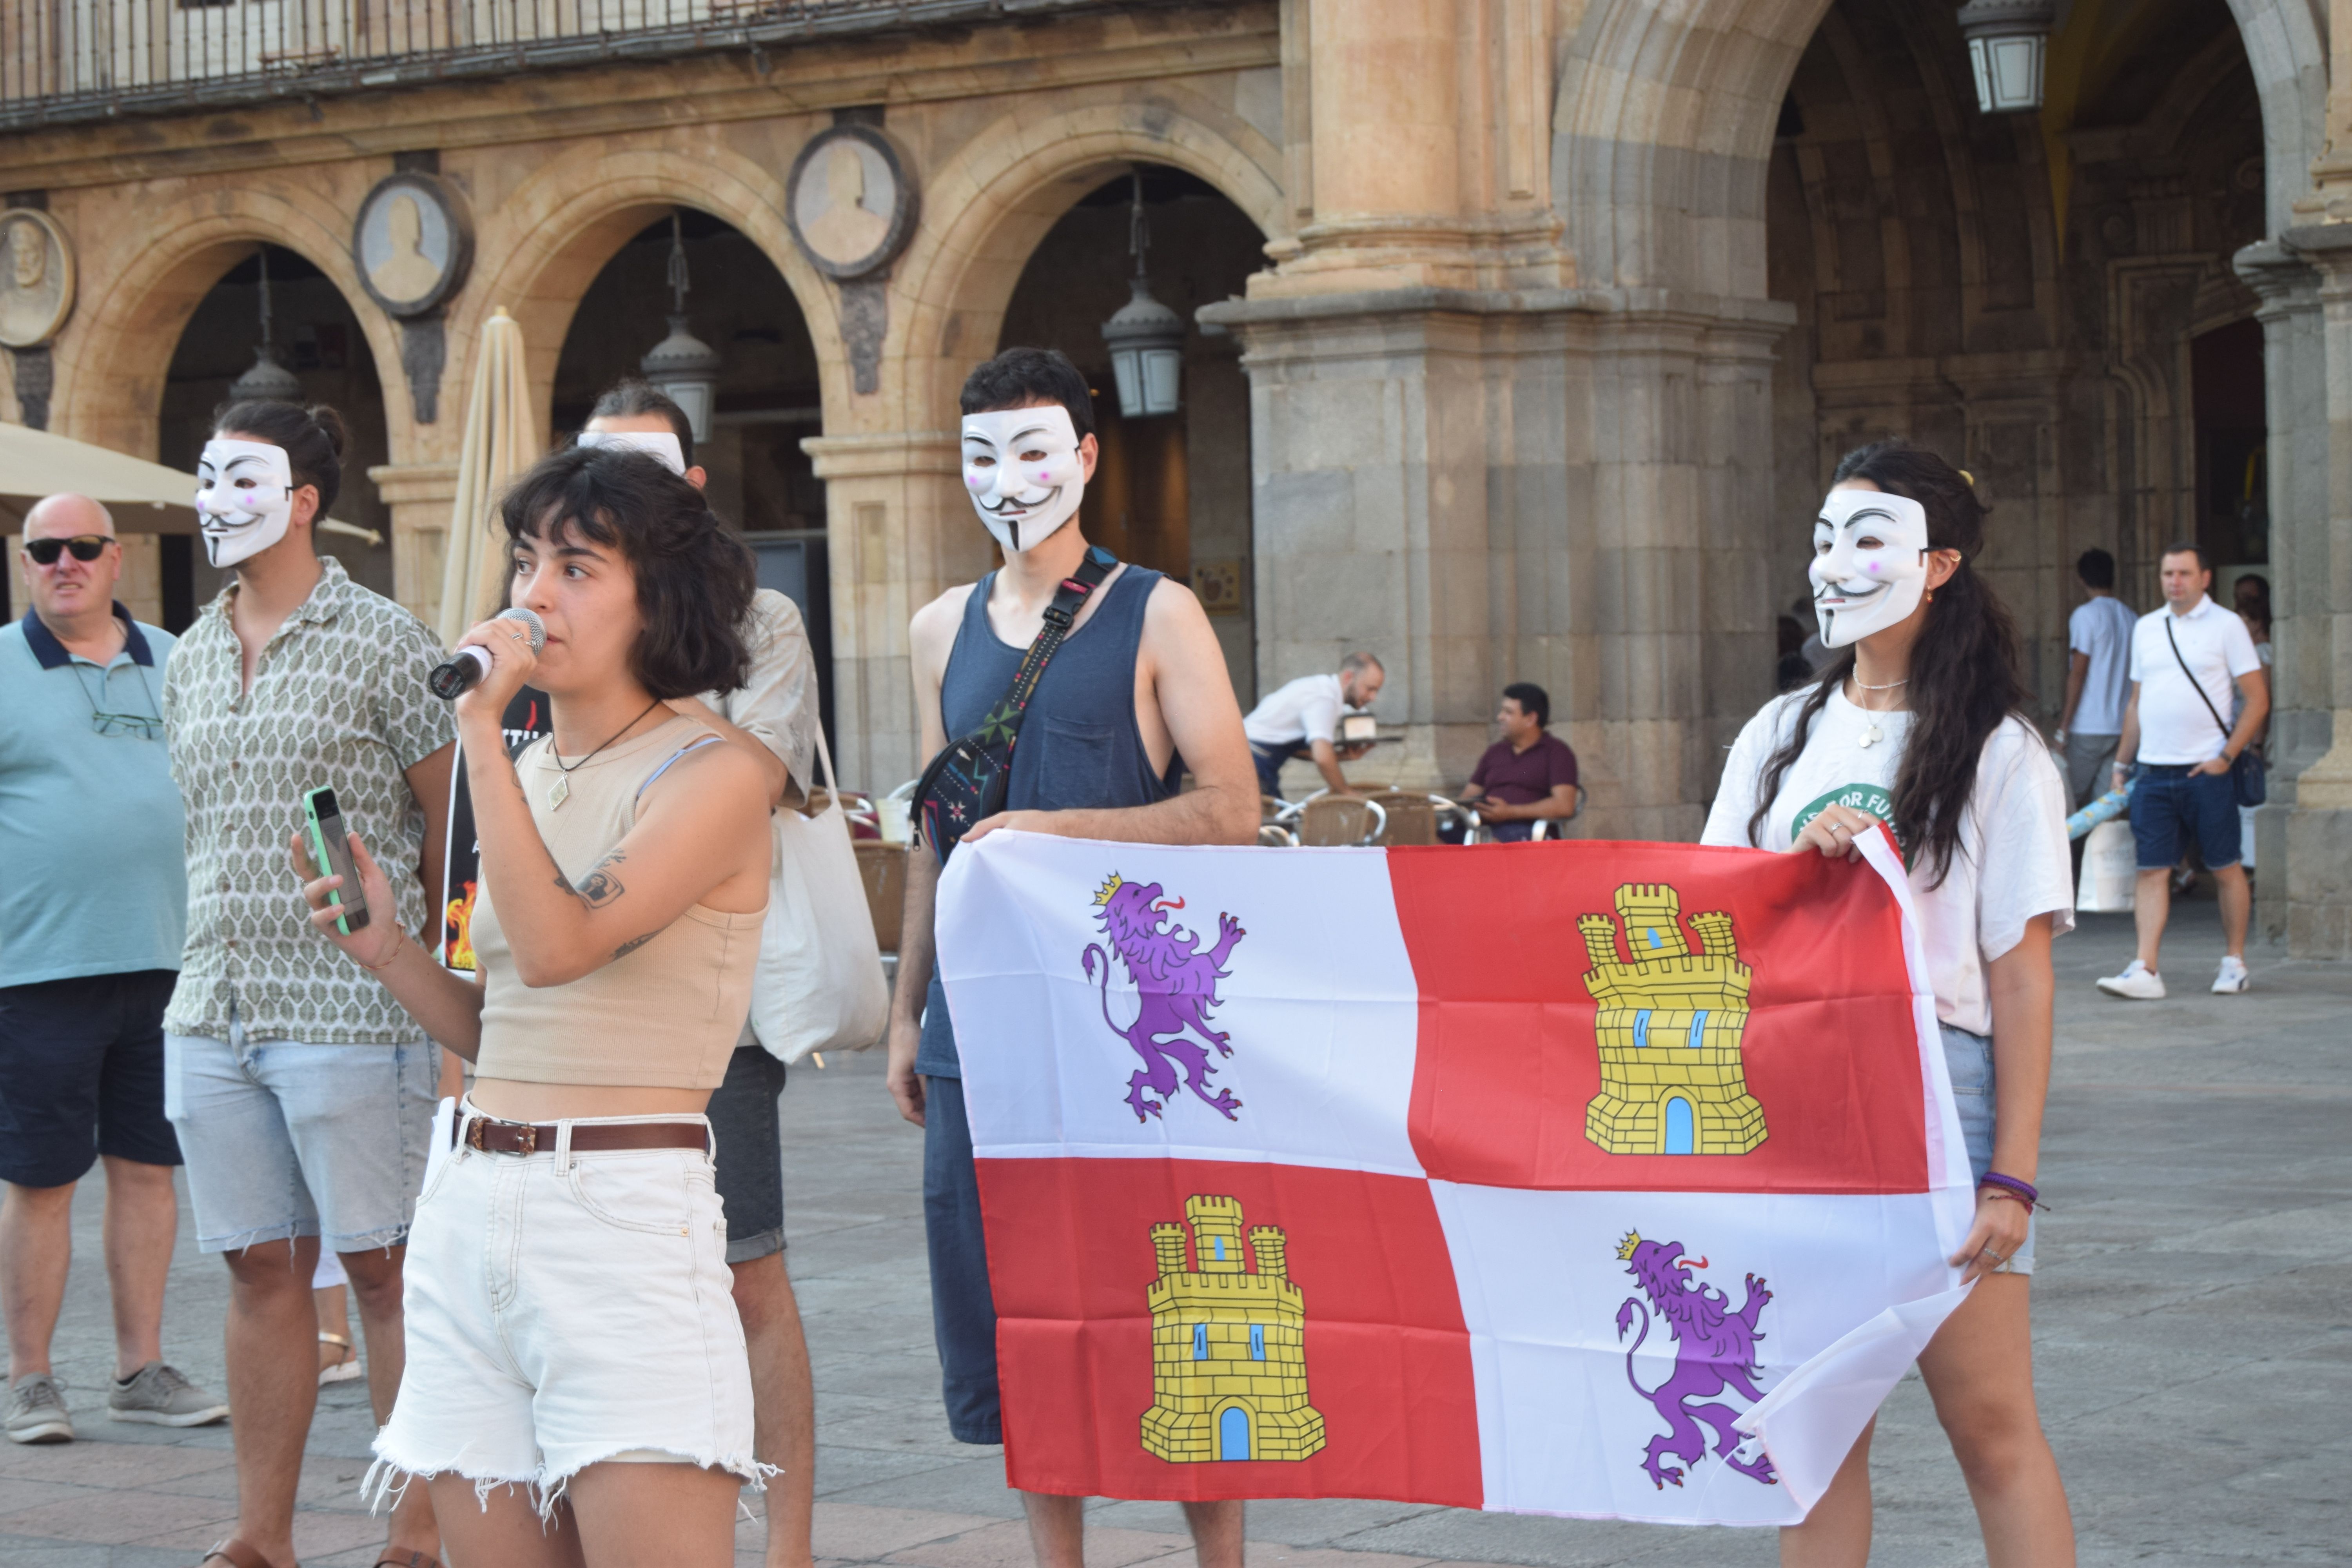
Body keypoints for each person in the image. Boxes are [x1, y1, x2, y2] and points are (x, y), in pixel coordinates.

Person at [298, 443, 774, 1565]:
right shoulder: (525, 764)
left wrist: (476, 733)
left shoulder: (715, 771)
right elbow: (505, 1019)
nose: (534, 596)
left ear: (655, 597)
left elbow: (561, 948)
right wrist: (390, 949)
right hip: (472, 1199)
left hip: (617, 1213)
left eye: (576, 567)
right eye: (526, 563)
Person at [887, 347, 1259, 1568]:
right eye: (984, 452)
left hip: (1132, 1031)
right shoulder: (936, 628)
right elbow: (933, 835)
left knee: (1172, 1298)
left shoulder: (1156, 609)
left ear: (1087, 456)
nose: (1010, 477)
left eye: (1036, 448)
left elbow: (1228, 808)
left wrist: (1058, 828)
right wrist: (904, 1015)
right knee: (1012, 1316)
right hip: (977, 1028)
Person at [1704, 442, 2075, 1568]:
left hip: (1937, 1099)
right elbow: (1708, 918)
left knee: (1991, 1428)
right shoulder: (1779, 738)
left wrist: (2012, 1174)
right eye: (1824, 539)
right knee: (1813, 1440)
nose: (1835, 565)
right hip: (1794, 1094)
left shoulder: (2003, 755)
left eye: (1868, 540)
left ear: (1940, 564)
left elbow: (2019, 975)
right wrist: (1796, 874)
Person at [162, 401, 452, 1568]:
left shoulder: (385, 638)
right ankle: (262, 1536)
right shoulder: (185, 655)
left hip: (354, 1002)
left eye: (243, 479)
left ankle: (419, 1529)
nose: (214, 499)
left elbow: (453, 818)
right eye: (206, 476)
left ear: (303, 500)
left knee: (383, 1266)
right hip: (213, 1001)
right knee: (255, 1264)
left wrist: (451, 993)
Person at [580, 379, 820, 1568]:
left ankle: (786, 1542)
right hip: (577, 1008)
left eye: (644, 467)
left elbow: (751, 778)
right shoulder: (548, 613)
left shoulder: (758, 618)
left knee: (747, 1273)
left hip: (717, 999)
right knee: (602, 1284)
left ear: (691, 483)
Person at [0, 495, 227, 1445]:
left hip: (170, 962)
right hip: (38, 966)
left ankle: (140, 1367)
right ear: (24, 563)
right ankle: (32, 1378)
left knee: (147, 1172)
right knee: (42, 1179)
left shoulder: (179, 660)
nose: (64, 563)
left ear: (116, 557)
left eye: (82, 547)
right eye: (44, 549)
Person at [2095, 544, 2269, 1000]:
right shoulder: (2148, 628)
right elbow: (2137, 701)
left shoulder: (2227, 626)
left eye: (2185, 573)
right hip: (2153, 770)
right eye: (2169, 572)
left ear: (2205, 577)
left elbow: (2257, 697)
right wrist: (2121, 764)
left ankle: (2234, 961)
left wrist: (2227, 757)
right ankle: (2145, 968)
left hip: (2206, 769)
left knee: (2225, 865)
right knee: (2152, 869)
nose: (2176, 581)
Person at [2055, 548, 2136, 809]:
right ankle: (2098, 852)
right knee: (2105, 808)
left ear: (2082, 579)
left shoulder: (2085, 615)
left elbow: (2078, 673)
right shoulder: (2130, 617)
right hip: (2122, 726)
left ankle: (2068, 852)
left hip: (2089, 726)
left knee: (2067, 801)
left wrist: (2063, 728)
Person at [1242, 653, 1384, 799]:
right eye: (1370, 689)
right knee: (1275, 821)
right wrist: (1346, 792)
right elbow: (1322, 757)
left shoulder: (1322, 690)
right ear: (1348, 677)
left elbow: (1285, 747)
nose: (1373, 698)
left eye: (1376, 691)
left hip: (1253, 760)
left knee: (1279, 820)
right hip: (1250, 763)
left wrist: (1341, 756)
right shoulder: (1324, 698)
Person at [1456, 683, 1579, 841]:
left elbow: (1564, 806)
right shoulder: (1495, 752)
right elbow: (1468, 797)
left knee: (1484, 847)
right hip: (1482, 827)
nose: (1500, 717)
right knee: (1428, 843)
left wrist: (1510, 812)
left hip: (1528, 831)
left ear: (1531, 719)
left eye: (1508, 712)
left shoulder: (1557, 752)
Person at [2232, 573, 2274, 874]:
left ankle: (2255, 863)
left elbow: (2261, 701)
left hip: (2252, 739)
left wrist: (2256, 744)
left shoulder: (2261, 655)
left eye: (2244, 622)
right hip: (2246, 737)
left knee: (2252, 799)